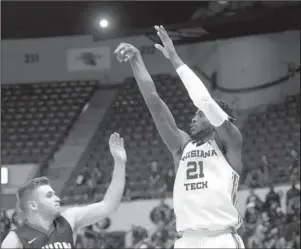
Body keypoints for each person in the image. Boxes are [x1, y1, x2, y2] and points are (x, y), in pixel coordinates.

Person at [115, 25, 244, 248]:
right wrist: (136, 60)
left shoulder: (229, 142)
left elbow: (204, 100)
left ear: (218, 119)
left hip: (221, 238)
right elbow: (154, 102)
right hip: (186, 240)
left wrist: (174, 58)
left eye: (199, 115)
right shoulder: (182, 145)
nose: (193, 118)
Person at [1, 132, 127, 249]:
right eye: (49, 196)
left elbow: (108, 205)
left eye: (54, 194)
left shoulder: (69, 219)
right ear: (33, 205)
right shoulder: (15, 238)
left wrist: (119, 163)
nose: (57, 198)